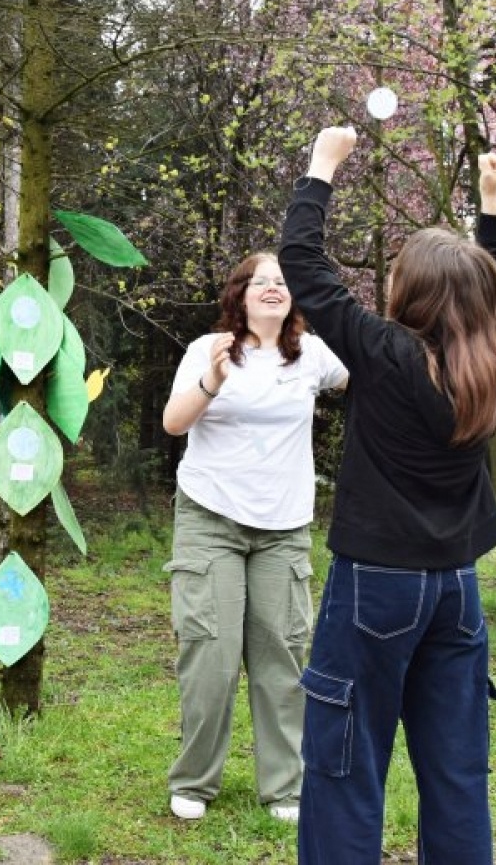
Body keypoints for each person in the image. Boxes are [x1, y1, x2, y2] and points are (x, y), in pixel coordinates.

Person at [279, 125, 496, 865]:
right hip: (456, 590)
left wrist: (321, 166)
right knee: (456, 771)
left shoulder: (384, 354)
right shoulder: (488, 366)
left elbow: (300, 262)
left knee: (346, 765)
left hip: (376, 591)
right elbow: (488, 288)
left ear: (408, 293)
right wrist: (492, 203)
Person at [160, 252, 349, 824]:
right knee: (209, 657)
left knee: (283, 659)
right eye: (261, 281)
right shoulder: (208, 349)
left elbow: (372, 374)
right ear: (240, 295)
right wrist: (212, 381)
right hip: (210, 517)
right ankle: (194, 781)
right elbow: (174, 422)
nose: (273, 288)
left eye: (283, 282)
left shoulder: (313, 355)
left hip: (284, 527)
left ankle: (285, 788)